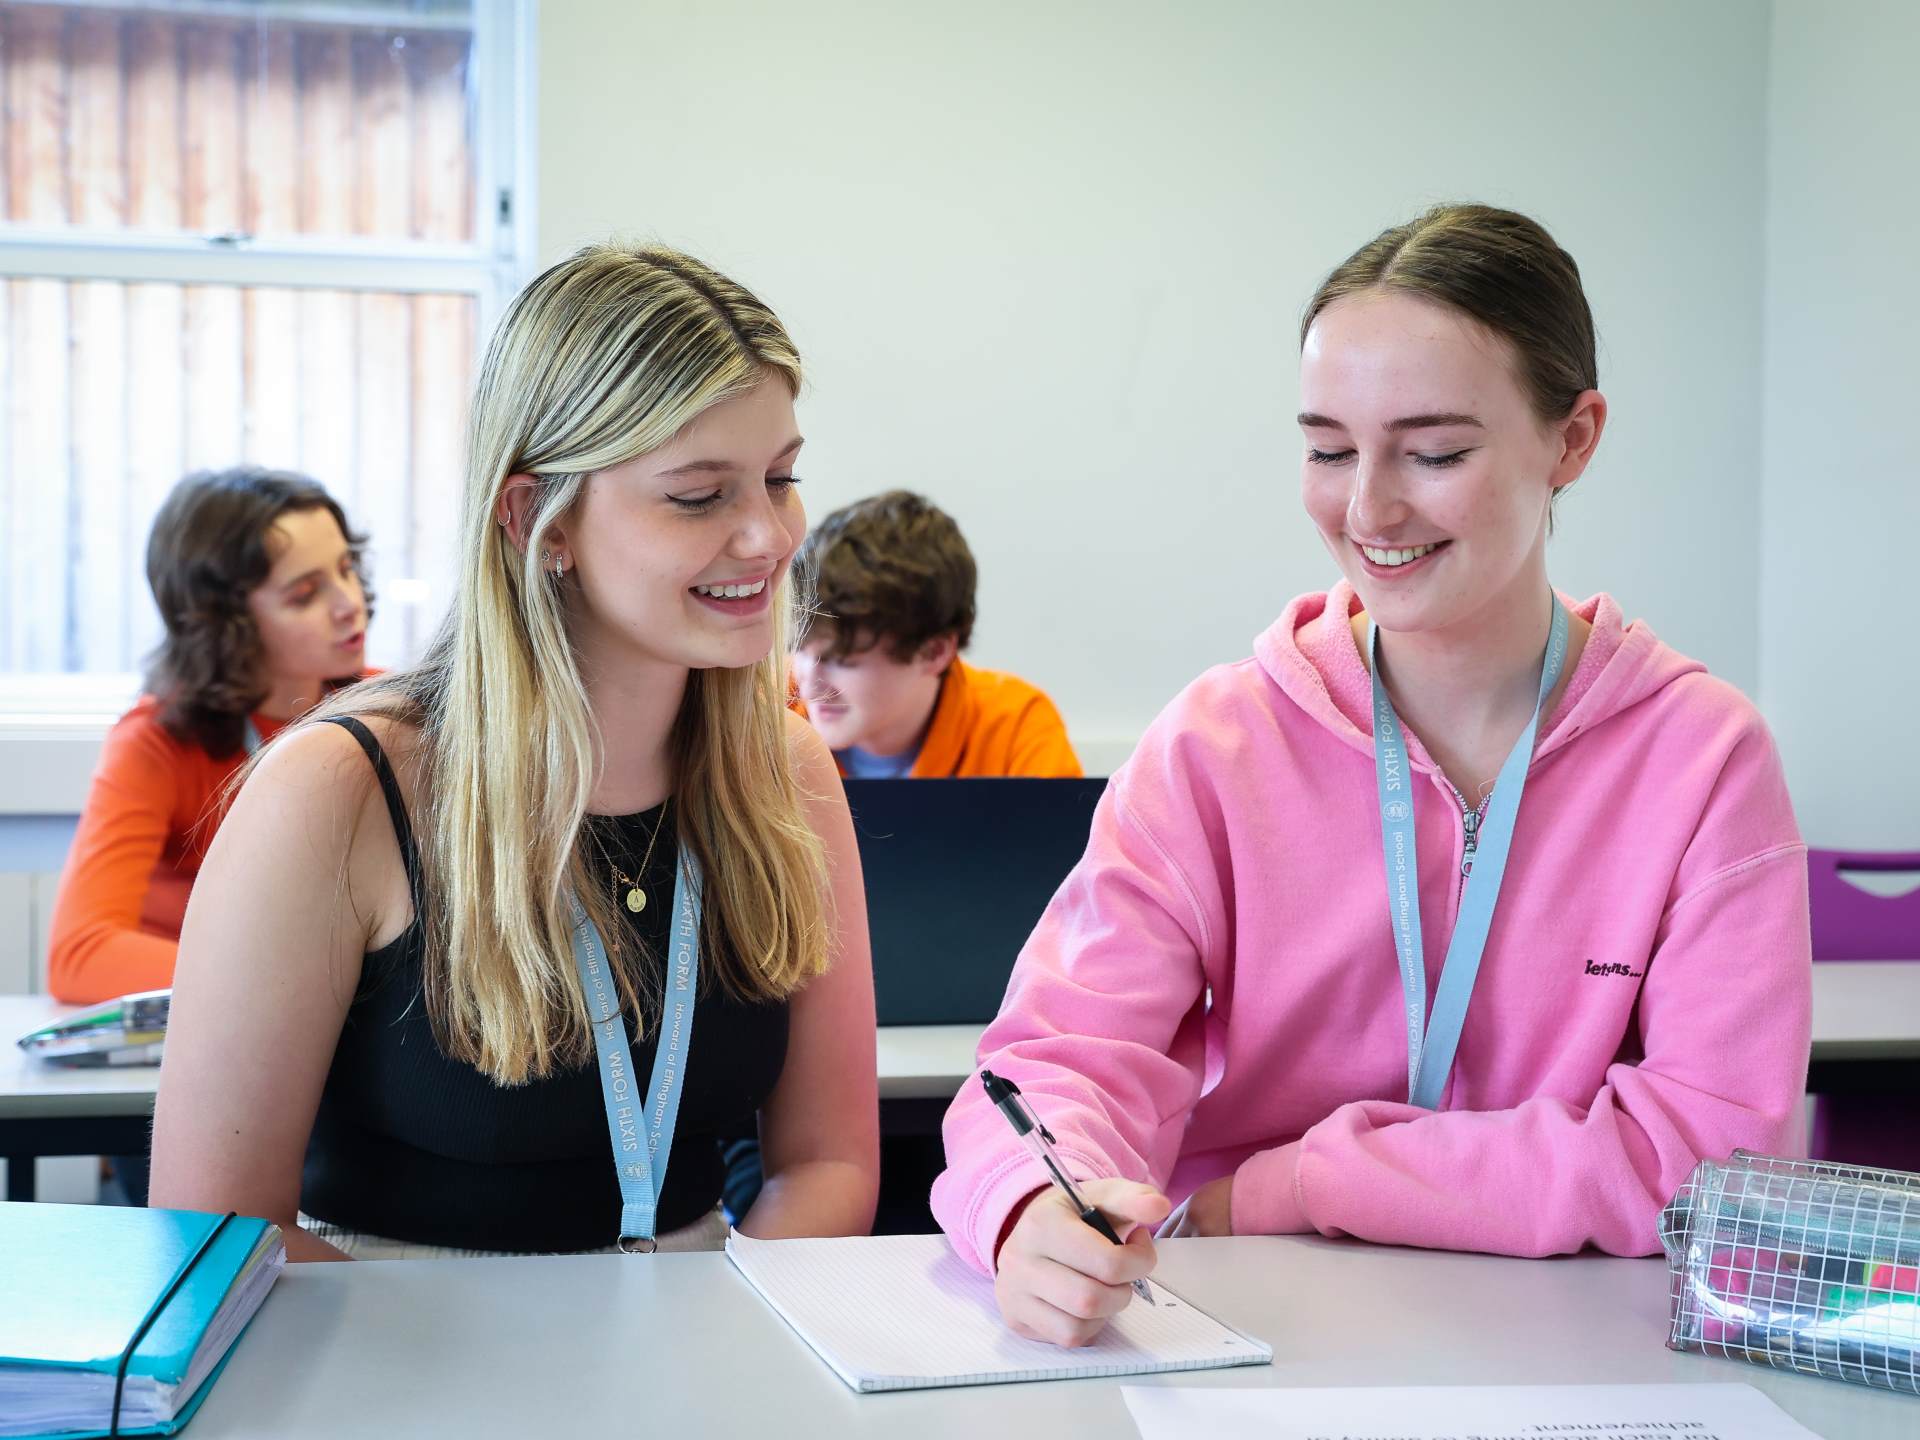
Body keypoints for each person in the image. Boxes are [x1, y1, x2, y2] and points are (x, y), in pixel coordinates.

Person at [933, 203, 1811, 1346]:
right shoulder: (1214, 747)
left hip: (1573, 1347)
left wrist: (1310, 1182)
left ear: (1573, 440)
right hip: (1247, 1319)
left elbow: (1713, 1154)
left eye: (1434, 452)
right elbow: (1057, 1063)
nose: (1367, 509)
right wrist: (1033, 1208)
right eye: (1328, 448)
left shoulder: (1703, 759)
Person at [149, 243, 880, 1260]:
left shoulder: (788, 774)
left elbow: (828, 1164)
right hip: (393, 1366)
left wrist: (703, 1345)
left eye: (781, 478)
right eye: (700, 494)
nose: (769, 536)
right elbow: (215, 1229)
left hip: (697, 1355)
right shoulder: (340, 791)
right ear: (537, 517)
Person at [48, 467, 372, 1006]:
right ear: (229, 623)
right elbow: (80, 955)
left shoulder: (389, 710)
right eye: (304, 594)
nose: (349, 604)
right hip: (212, 1025)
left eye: (347, 569)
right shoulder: (154, 742)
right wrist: (297, 978)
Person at [790, 490, 1081, 778]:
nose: (811, 686)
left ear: (934, 652)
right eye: (801, 648)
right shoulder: (766, 717)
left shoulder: (1016, 728)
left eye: (842, 659)